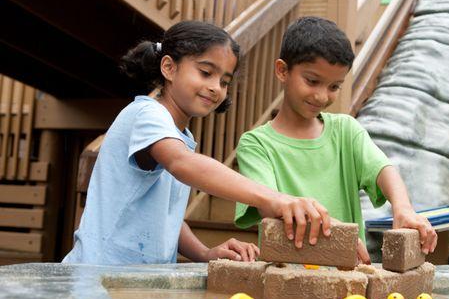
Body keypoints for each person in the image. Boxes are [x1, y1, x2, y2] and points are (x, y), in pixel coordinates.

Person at [63, 20, 331, 265]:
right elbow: (183, 163)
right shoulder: (146, 115)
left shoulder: (182, 137)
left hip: (137, 288)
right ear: (169, 67)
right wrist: (274, 198)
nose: (216, 87)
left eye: (224, 81)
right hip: (97, 277)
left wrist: (205, 253)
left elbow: (164, 217)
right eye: (205, 72)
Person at [235, 17, 437, 263]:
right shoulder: (256, 145)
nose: (321, 96)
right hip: (285, 280)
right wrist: (338, 234)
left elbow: (383, 169)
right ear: (282, 70)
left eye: (334, 86)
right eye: (312, 81)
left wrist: (403, 208)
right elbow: (270, 205)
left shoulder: (346, 131)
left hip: (349, 283)